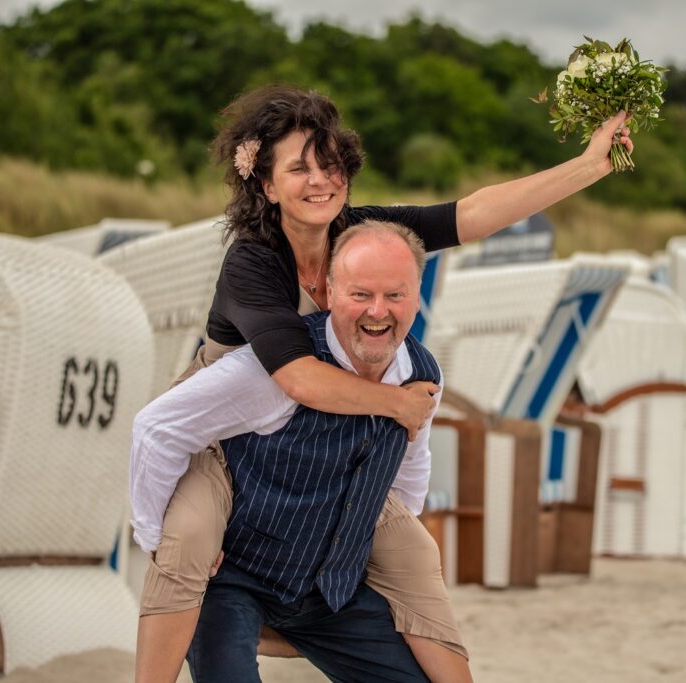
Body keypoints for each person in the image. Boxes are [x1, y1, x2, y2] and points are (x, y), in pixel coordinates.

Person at [131, 85, 633, 682]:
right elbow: (297, 378)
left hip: (311, 438)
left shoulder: (359, 233)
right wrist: (400, 404)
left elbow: (470, 214)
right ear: (264, 184)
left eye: (330, 164)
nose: (320, 180)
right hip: (223, 434)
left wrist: (588, 165)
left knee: (412, 548)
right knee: (185, 538)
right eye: (299, 168)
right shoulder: (254, 261)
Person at [133, 222, 444, 681]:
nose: (379, 309)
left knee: (416, 558)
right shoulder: (257, 289)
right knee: (191, 549)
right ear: (330, 291)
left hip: (322, 583)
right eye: (361, 294)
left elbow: (411, 465)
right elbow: (157, 429)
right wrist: (152, 536)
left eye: (395, 295)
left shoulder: (421, 373)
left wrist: (368, 541)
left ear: (417, 297)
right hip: (229, 539)